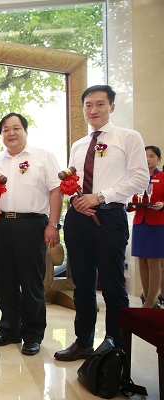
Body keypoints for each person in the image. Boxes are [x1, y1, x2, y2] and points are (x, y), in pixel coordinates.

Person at [55, 85, 150, 362]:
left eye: (99, 104)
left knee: (112, 286)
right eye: (88, 105)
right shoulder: (78, 145)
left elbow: (140, 178)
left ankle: (115, 349)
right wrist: (75, 199)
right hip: (78, 219)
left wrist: (100, 196)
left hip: (109, 217)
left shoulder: (128, 137)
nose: (93, 110)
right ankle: (83, 342)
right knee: (82, 285)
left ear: (112, 107)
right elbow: (72, 182)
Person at [0, 113, 62, 356]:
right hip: (2, 226)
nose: (11, 133)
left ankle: (33, 335)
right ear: (1, 135)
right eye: (6, 129)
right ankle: (10, 330)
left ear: (26, 131)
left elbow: (56, 191)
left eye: (16, 128)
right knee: (4, 282)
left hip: (32, 225)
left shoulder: (43, 157)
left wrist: (53, 224)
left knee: (31, 283)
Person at [127, 146, 164, 308]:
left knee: (154, 263)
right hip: (139, 223)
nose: (148, 159)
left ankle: (150, 302)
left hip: (157, 224)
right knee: (142, 261)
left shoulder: (162, 177)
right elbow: (131, 202)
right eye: (145, 156)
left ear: (159, 159)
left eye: (152, 156)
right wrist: (128, 204)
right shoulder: (137, 179)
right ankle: (148, 299)